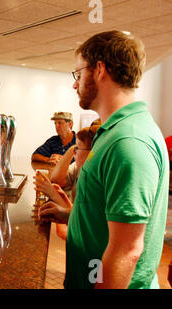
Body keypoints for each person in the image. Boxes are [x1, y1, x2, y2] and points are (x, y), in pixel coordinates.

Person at [39, 31, 169, 289]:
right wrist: (73, 216)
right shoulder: (113, 133)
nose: (75, 84)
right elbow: (112, 215)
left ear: (99, 70)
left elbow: (127, 250)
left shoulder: (128, 142)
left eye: (78, 74)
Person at [34, 124, 100, 240]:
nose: (74, 152)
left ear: (92, 152)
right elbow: (74, 212)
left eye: (77, 149)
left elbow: (81, 226)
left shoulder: (95, 179)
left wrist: (54, 195)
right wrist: (61, 198)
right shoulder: (81, 167)